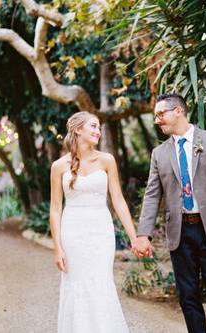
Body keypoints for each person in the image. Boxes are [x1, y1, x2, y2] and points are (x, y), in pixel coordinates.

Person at [132, 93, 206, 333]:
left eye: (161, 114)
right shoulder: (159, 153)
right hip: (179, 231)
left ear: (178, 111)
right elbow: (151, 195)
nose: (157, 120)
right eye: (156, 116)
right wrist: (143, 234)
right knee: (187, 295)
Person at [49, 111, 137, 333]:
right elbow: (56, 208)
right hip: (73, 233)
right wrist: (57, 247)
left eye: (99, 128)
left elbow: (117, 199)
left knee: (101, 282)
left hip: (101, 231)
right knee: (76, 284)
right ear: (78, 129)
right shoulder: (59, 166)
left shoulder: (107, 160)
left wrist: (133, 237)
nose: (98, 132)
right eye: (94, 127)